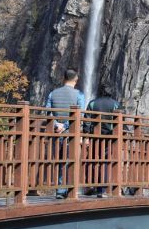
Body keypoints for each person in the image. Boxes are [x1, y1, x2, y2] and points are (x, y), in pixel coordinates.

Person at [45, 69, 85, 199]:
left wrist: (57, 124)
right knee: (69, 161)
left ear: (64, 78)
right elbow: (80, 114)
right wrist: (66, 125)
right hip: (70, 134)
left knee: (58, 160)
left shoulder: (53, 93)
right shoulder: (79, 95)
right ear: (76, 79)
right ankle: (63, 190)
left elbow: (48, 112)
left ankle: (60, 188)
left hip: (56, 133)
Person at [84, 93, 120, 197]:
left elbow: (87, 121)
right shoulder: (115, 104)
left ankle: (90, 185)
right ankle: (103, 189)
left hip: (95, 137)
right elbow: (121, 121)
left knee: (92, 160)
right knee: (106, 162)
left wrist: (86, 134)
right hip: (110, 138)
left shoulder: (92, 103)